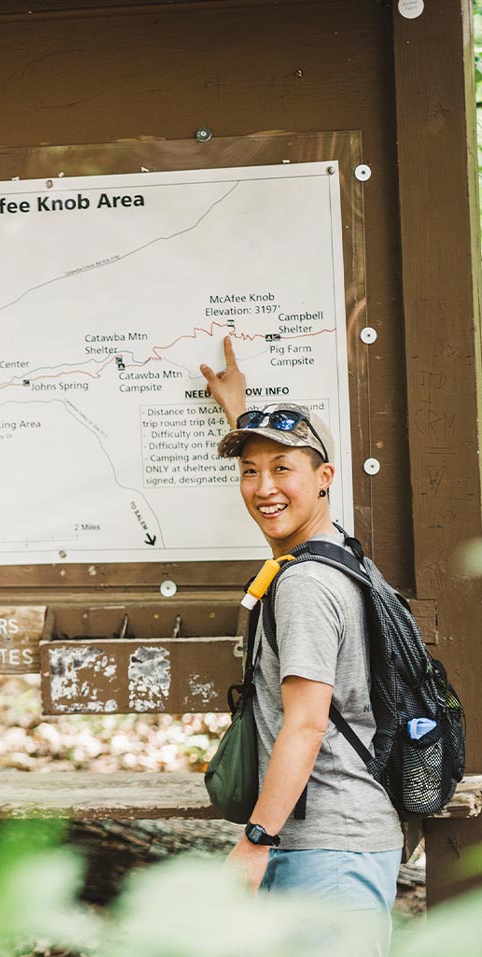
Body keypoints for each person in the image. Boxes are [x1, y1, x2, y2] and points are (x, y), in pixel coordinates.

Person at [201, 337, 401, 952]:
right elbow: (281, 478)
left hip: (324, 850)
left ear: (325, 479)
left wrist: (254, 842)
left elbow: (307, 726)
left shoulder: (307, 586)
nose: (263, 488)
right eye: (249, 471)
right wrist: (237, 410)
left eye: (282, 468)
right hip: (339, 841)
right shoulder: (339, 552)